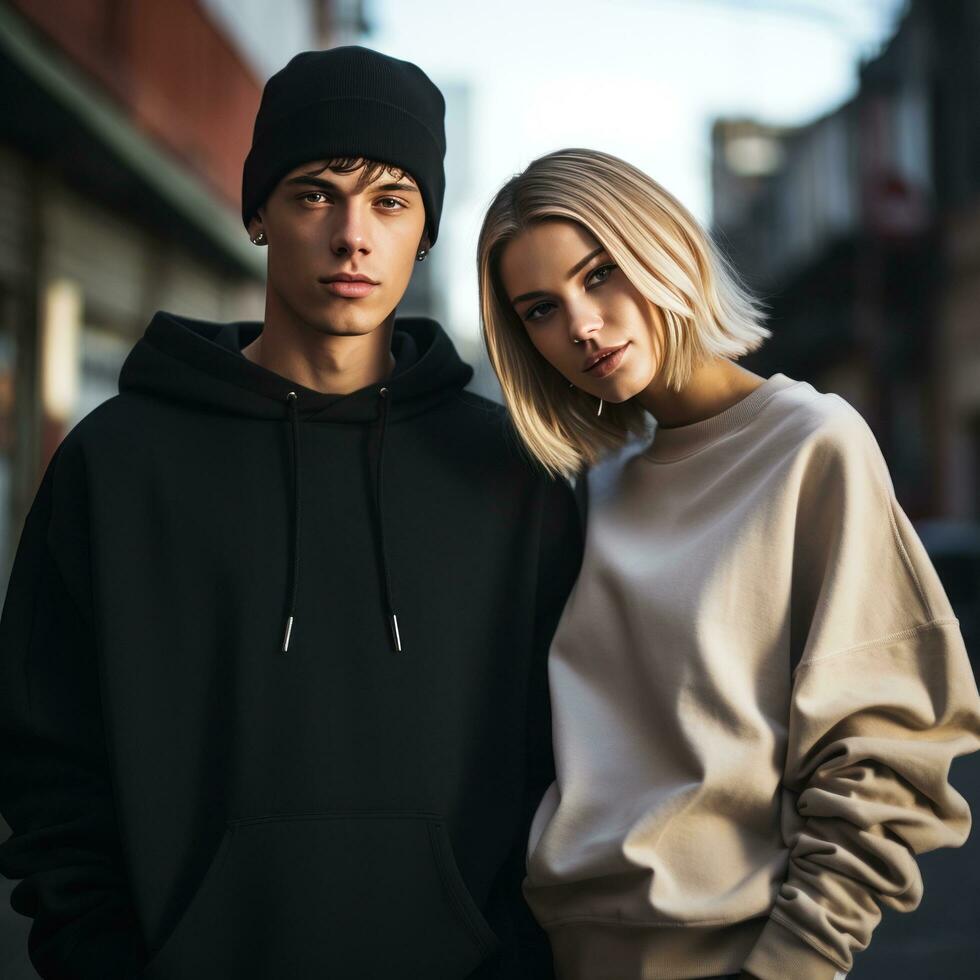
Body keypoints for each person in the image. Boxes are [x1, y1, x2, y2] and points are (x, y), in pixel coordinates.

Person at [0, 48, 582, 980]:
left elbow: (572, 762)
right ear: (259, 212)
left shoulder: (515, 474)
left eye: (391, 201)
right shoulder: (117, 464)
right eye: (315, 193)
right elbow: (47, 758)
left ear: (426, 229)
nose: (353, 235)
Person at [476, 147, 980, 980]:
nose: (582, 325)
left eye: (600, 274)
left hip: (731, 955)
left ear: (662, 247)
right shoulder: (591, 488)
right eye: (539, 309)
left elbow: (887, 751)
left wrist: (793, 963)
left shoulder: (812, 444)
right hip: (560, 952)